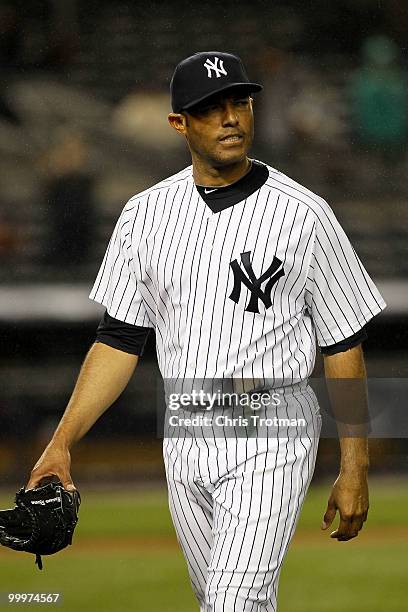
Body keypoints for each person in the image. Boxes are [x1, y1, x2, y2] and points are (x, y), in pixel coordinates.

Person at [27, 51, 386, 610]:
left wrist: (354, 465)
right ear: (179, 123)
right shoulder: (144, 216)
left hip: (275, 425)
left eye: (239, 103)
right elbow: (119, 339)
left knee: (233, 602)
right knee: (219, 601)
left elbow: (342, 342)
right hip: (184, 429)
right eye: (210, 108)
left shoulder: (305, 214)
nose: (230, 118)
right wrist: (61, 442)